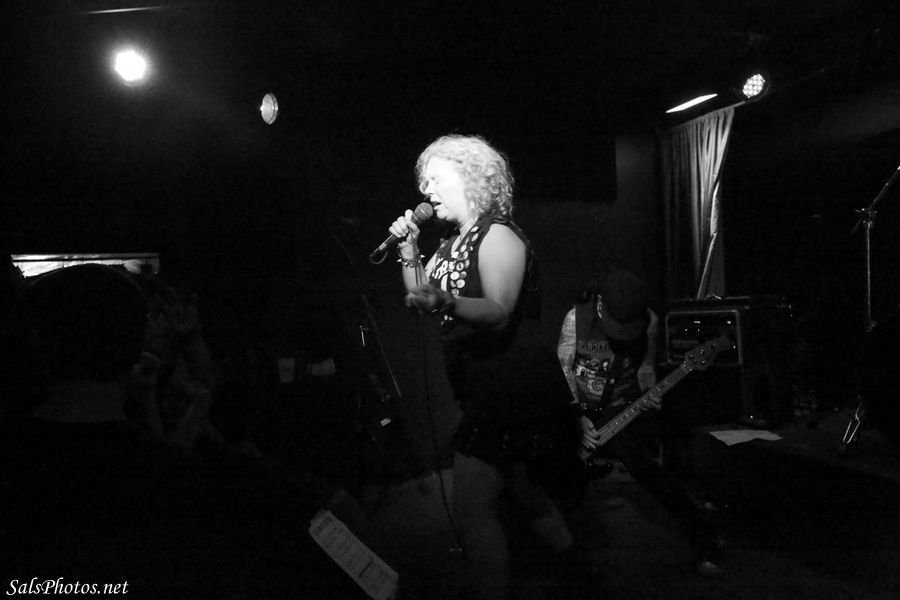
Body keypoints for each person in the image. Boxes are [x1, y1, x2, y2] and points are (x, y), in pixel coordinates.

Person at [388, 134, 590, 599]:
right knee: (522, 489)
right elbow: (421, 295)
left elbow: (498, 311)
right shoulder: (449, 243)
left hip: (512, 385)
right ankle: (578, 569)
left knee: (473, 504)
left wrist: (445, 301)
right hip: (479, 385)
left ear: (471, 176)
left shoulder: (497, 234)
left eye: (435, 178)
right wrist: (410, 251)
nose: (426, 189)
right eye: (423, 182)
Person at [556, 268, 723, 576]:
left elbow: (645, 367)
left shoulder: (650, 321)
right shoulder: (575, 319)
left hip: (620, 407)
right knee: (558, 480)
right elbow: (564, 370)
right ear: (600, 305)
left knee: (648, 469)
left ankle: (705, 541)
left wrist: (649, 390)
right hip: (578, 409)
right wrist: (577, 415)